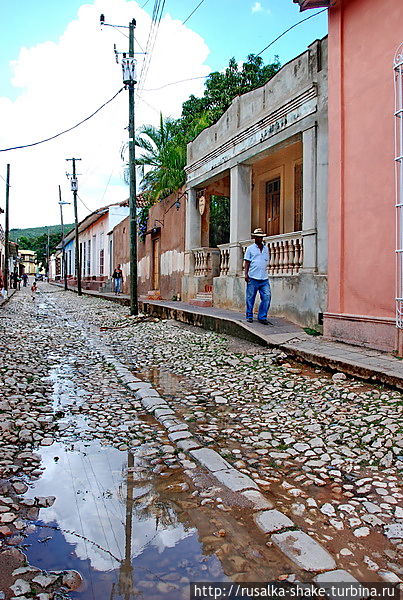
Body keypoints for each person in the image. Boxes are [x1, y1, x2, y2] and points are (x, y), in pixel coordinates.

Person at [244, 228, 271, 325]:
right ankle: (249, 316)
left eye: (261, 237)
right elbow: (247, 262)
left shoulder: (266, 249)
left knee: (267, 296)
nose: (260, 239)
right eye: (258, 237)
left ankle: (262, 317)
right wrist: (246, 274)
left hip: (264, 278)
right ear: (254, 238)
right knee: (250, 297)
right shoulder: (250, 249)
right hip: (253, 277)